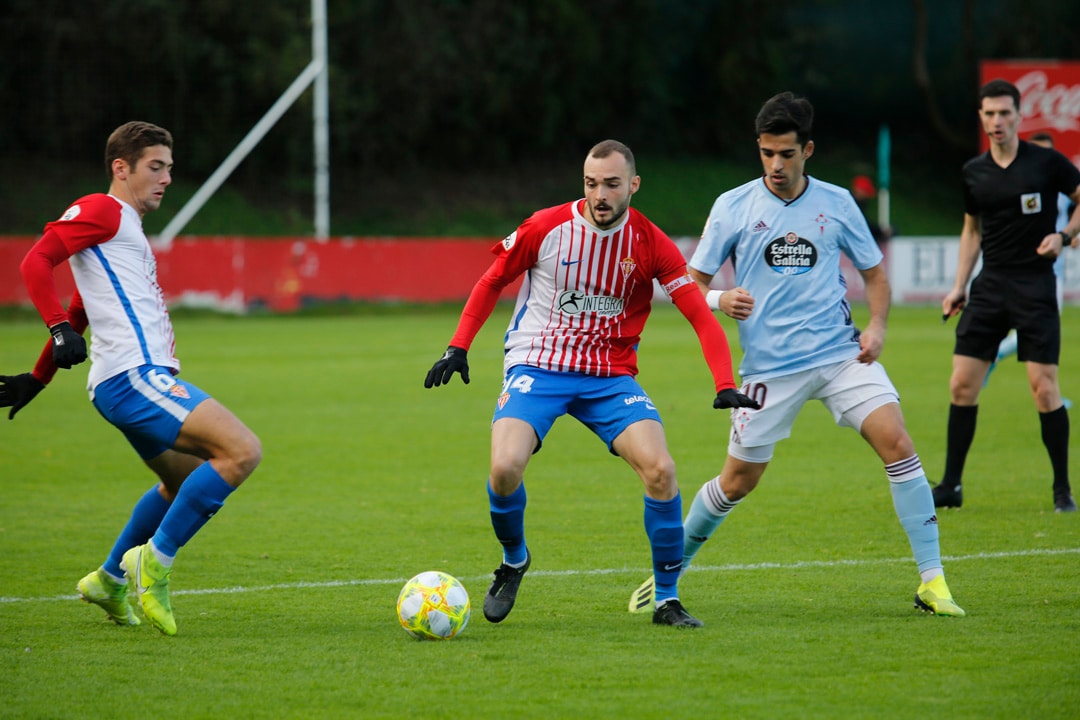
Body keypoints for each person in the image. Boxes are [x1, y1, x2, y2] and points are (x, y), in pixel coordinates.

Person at [629, 91, 965, 618]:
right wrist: (720, 298)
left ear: (808, 149)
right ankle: (670, 571)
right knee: (737, 481)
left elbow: (875, 273)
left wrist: (876, 326)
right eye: (766, 153)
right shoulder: (733, 205)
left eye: (786, 153)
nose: (776, 165)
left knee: (898, 444)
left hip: (840, 357)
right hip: (768, 371)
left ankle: (933, 581)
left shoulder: (836, 203)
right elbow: (685, 283)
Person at [423, 139, 758, 629]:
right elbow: (492, 280)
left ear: (633, 186)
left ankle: (666, 599)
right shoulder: (546, 227)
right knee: (504, 467)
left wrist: (724, 382)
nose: (600, 194)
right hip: (539, 365)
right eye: (591, 183)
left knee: (661, 471)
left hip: (610, 377)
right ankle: (514, 559)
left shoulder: (652, 243)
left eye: (612, 184)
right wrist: (458, 345)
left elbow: (696, 313)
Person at [0, 121, 262, 635]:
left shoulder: (126, 230)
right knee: (241, 451)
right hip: (133, 378)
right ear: (121, 168)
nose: (165, 178)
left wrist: (38, 377)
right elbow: (37, 260)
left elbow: (79, 308)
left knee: (181, 480)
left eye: (169, 168)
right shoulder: (102, 209)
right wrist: (53, 329)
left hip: (125, 381)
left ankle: (110, 579)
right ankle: (155, 561)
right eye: (155, 167)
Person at [935, 80, 1080, 513]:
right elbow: (971, 230)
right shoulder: (973, 171)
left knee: (1043, 389)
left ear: (1018, 115)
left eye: (1004, 113)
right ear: (980, 117)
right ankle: (951, 486)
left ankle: (1062, 490)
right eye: (989, 114)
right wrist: (960, 285)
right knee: (961, 384)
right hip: (990, 285)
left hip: (1035, 284)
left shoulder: (1047, 163)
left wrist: (1064, 235)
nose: (996, 121)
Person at [983, 131, 1074, 411]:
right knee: (1039, 332)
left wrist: (1068, 235)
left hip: (1050, 273)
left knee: (1045, 333)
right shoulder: (1011, 184)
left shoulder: (1063, 188)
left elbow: (1072, 217)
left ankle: (1051, 394)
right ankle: (995, 353)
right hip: (1018, 273)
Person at [850, 174, 890, 245]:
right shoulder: (854, 206)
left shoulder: (853, 204)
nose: (867, 196)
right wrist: (880, 232)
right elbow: (864, 225)